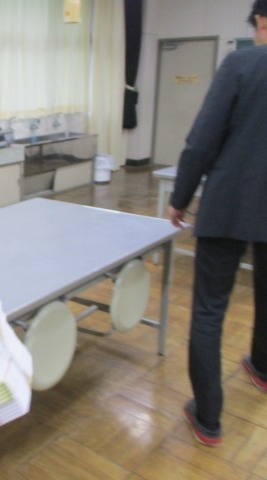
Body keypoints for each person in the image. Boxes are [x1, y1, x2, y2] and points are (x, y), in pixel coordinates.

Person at [168, 0, 267, 447]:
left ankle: (208, 417)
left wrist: (180, 199)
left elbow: (202, 142)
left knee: (209, 311)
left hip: (230, 205)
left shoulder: (241, 64)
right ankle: (262, 368)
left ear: (260, 20)